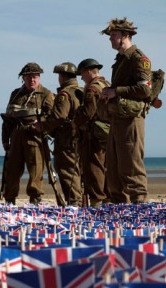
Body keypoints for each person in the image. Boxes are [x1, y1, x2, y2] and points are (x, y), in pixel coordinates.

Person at [100, 17, 153, 204]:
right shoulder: (121, 60)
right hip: (117, 119)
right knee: (113, 172)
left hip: (131, 120)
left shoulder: (138, 58)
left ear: (126, 35)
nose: (110, 39)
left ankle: (140, 208)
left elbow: (145, 89)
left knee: (131, 168)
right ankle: (119, 211)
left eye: (114, 35)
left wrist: (116, 91)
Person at [1, 63, 54, 205]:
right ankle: (9, 200)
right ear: (23, 78)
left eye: (35, 76)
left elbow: (52, 117)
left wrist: (41, 124)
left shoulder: (46, 94)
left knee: (36, 172)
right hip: (16, 137)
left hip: (35, 137)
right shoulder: (15, 94)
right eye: (29, 77)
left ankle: (35, 200)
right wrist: (5, 139)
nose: (32, 79)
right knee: (12, 172)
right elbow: (7, 119)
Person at [39, 62, 83, 206]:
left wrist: (42, 126)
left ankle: (74, 203)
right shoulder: (81, 90)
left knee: (68, 172)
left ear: (62, 77)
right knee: (78, 172)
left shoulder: (65, 94)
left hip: (67, 139)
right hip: (81, 138)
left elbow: (59, 116)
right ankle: (79, 202)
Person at [73, 58, 111, 207]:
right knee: (106, 169)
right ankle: (108, 201)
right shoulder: (106, 85)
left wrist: (75, 123)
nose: (81, 78)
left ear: (88, 72)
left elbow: (88, 112)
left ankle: (97, 203)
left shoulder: (92, 89)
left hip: (93, 135)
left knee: (94, 170)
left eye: (82, 74)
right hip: (107, 133)